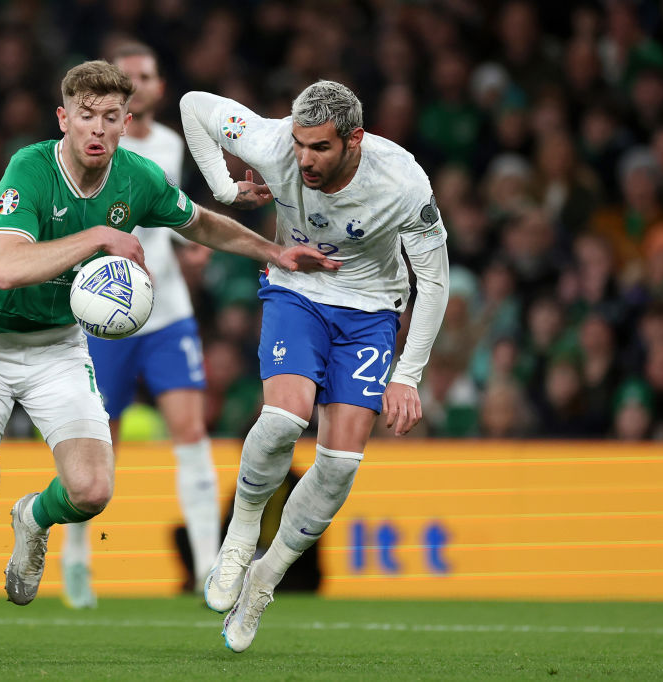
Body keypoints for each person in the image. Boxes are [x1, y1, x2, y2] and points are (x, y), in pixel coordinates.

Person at [0, 60, 336, 660]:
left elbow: (199, 224)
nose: (98, 129)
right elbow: (6, 268)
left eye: (111, 117)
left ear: (126, 123)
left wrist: (273, 251)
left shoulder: (137, 178)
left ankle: (33, 517)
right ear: (64, 118)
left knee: (90, 491)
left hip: (55, 345)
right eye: (86, 116)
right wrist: (99, 238)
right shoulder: (30, 170)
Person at [180, 80, 450, 652]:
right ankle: (240, 536)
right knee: (283, 420)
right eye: (300, 144)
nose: (304, 159)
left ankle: (264, 580)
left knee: (340, 466)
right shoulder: (273, 141)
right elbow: (193, 106)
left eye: (320, 147)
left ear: (355, 139)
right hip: (297, 290)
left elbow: (434, 280)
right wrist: (224, 188)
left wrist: (408, 375)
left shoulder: (403, 182)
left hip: (371, 311)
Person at [59, 42, 220, 609]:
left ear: (158, 87)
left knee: (191, 431)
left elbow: (163, 214)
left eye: (146, 76)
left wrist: (188, 249)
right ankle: (76, 558)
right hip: (106, 315)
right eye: (127, 77)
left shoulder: (172, 144)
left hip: (167, 310)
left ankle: (209, 569)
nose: (138, 84)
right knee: (100, 446)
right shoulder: (93, 147)